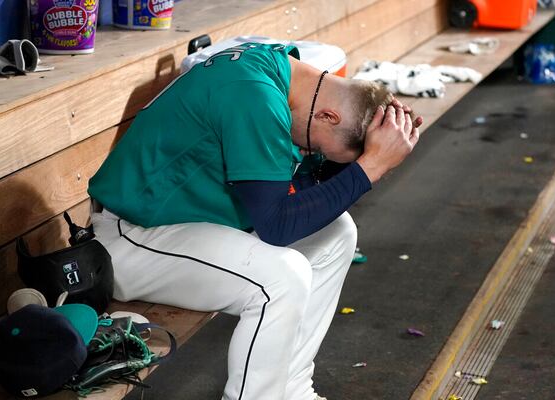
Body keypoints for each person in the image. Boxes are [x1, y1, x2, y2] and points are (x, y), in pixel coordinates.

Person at [88, 42, 423, 400]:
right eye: (321, 151)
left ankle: (292, 390)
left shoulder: (286, 71)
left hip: (191, 224)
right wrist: (370, 166)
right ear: (328, 116)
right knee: (281, 278)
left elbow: (307, 186)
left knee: (338, 232)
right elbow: (277, 227)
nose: (313, 156)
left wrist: (377, 145)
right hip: (132, 238)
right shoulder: (255, 96)